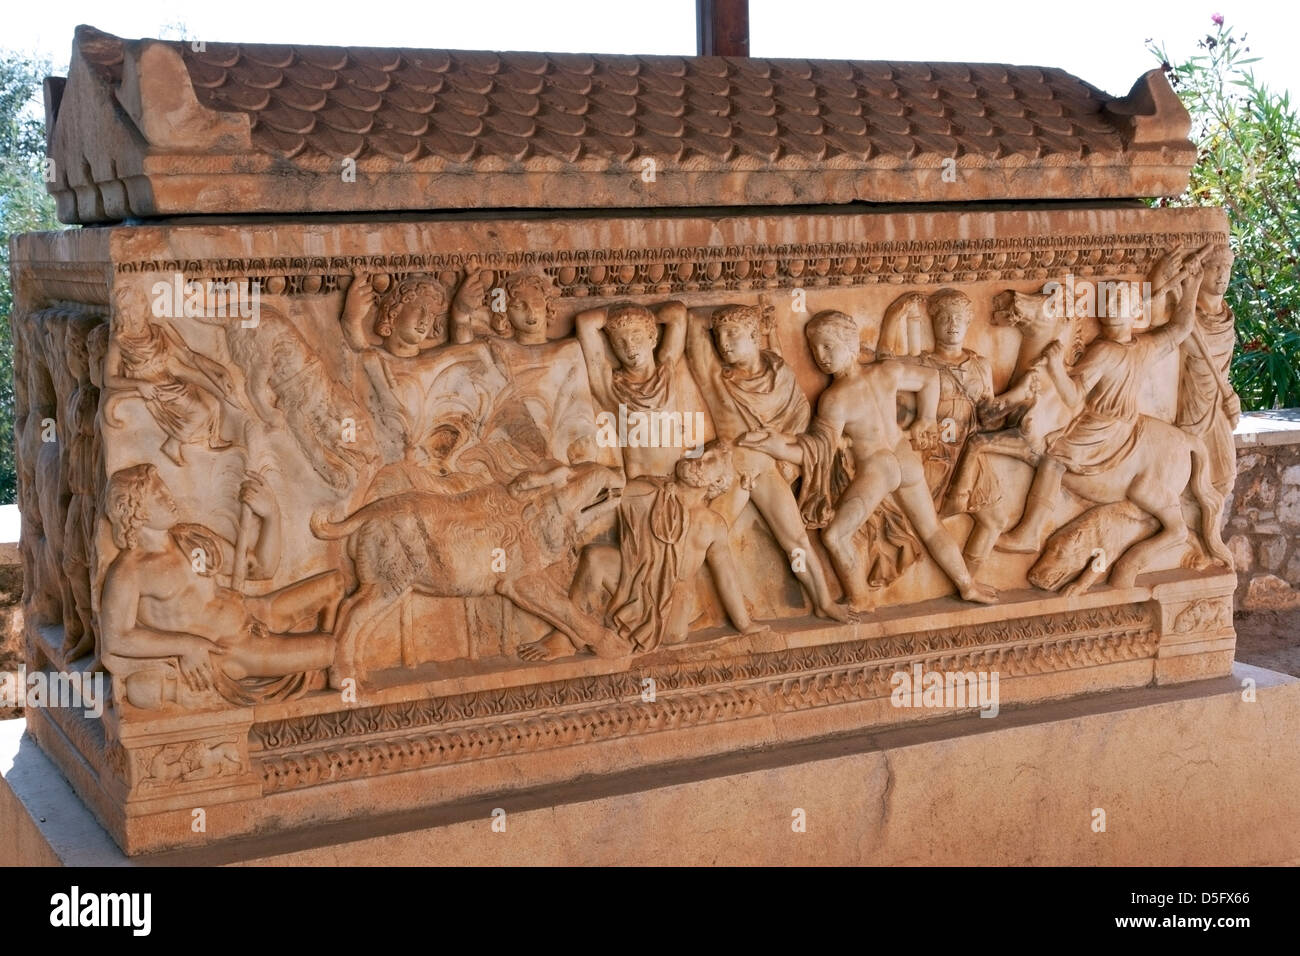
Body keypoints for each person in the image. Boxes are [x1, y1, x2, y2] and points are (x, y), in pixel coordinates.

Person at [741, 310, 996, 611]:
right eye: (815, 349)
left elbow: (816, 450)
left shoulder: (835, 398)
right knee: (931, 528)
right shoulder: (885, 371)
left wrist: (776, 447)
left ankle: (860, 599)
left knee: (835, 535)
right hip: (905, 458)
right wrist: (924, 420)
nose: (821, 356)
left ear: (849, 342)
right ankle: (966, 586)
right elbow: (929, 379)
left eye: (828, 345)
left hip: (880, 467)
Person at [99, 464, 344, 708]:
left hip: (256, 611)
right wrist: (186, 645)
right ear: (134, 511)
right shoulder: (130, 572)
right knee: (332, 649)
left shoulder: (189, 538)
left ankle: (317, 662)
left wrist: (270, 515)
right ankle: (324, 665)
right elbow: (117, 637)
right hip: (233, 649)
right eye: (158, 496)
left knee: (336, 583)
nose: (169, 497)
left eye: (165, 489)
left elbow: (259, 567)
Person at [999, 268, 1203, 553]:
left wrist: (1056, 368)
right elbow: (1180, 328)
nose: (1109, 307)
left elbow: (1073, 398)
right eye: (1107, 301)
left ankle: (1029, 532)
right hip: (1128, 423)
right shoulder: (1145, 345)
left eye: (1118, 301)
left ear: (1134, 310)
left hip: (1100, 427)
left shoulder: (1104, 351)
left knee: (1053, 458)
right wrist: (1191, 289)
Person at [518, 442, 767, 661]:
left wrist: (744, 624)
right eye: (700, 452)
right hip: (635, 586)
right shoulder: (648, 490)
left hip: (669, 621)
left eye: (711, 461)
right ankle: (566, 636)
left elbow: (727, 577)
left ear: (717, 482)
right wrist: (565, 477)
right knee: (595, 558)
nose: (699, 459)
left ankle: (608, 631)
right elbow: (606, 483)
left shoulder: (712, 525)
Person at [686, 304, 850, 622]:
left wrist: (785, 455)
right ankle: (679, 605)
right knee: (703, 539)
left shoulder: (781, 375)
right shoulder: (716, 377)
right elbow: (690, 321)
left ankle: (824, 602)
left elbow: (799, 421)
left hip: (763, 468)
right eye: (719, 336)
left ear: (753, 335)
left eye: (733, 334)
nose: (725, 343)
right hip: (730, 469)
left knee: (796, 540)